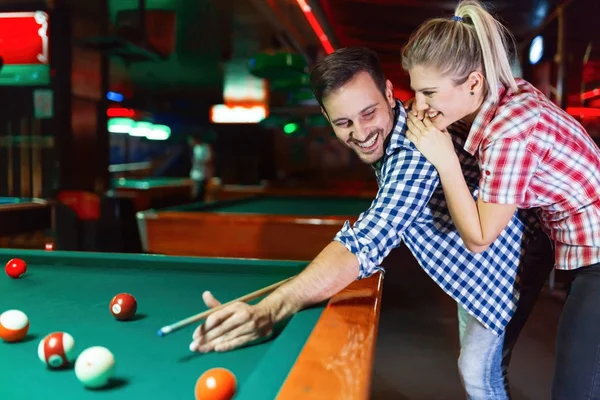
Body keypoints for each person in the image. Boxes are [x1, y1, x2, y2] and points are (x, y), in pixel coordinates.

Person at [188, 47, 553, 398]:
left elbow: (367, 240)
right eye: (343, 122)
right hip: (478, 260)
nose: (361, 134)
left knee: (477, 372)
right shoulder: (394, 132)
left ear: (391, 93)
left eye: (368, 113)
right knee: (479, 367)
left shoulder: (414, 150)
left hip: (512, 253)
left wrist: (270, 309)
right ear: (327, 118)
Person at [401, 1, 600, 398]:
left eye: (428, 93)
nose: (420, 105)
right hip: (559, 237)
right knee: (484, 364)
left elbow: (479, 237)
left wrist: (444, 160)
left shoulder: (509, 133)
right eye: (415, 91)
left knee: (576, 391)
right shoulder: (501, 97)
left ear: (473, 84)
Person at [188, 133, 214, 202]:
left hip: (204, 174)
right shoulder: (195, 148)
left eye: (191, 140)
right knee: (195, 193)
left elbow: (209, 160)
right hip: (195, 174)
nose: (190, 142)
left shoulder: (206, 147)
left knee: (203, 193)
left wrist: (201, 162)